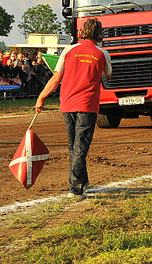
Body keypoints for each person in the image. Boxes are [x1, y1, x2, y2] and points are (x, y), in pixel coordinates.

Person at [35, 17, 112, 196]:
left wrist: (41, 97)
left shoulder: (68, 51)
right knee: (80, 148)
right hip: (88, 105)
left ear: (81, 33)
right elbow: (108, 74)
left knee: (74, 147)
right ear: (99, 35)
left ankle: (81, 183)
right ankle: (76, 188)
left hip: (68, 104)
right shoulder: (103, 54)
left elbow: (56, 79)